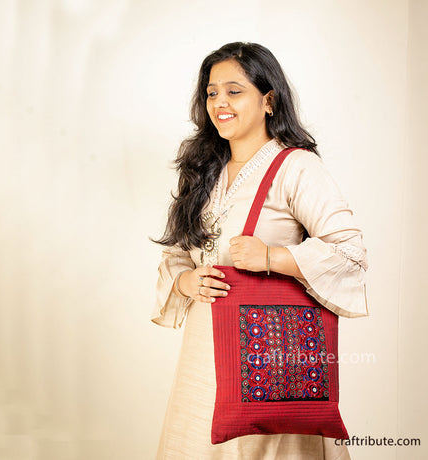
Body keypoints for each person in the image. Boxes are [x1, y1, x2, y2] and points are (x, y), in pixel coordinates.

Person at [151, 42, 368, 460]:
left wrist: (272, 258)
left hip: (267, 356)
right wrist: (186, 279)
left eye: (234, 91)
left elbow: (351, 253)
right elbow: (178, 251)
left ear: (268, 100)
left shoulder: (297, 166)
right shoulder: (202, 171)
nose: (219, 103)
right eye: (211, 92)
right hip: (202, 355)